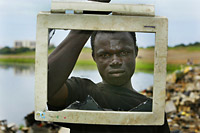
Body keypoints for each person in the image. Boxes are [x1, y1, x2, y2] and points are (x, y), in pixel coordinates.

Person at [47, 1, 170, 133]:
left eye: (123, 53)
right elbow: (46, 86)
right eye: (105, 55)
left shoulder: (152, 110)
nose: (115, 61)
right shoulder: (82, 93)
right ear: (94, 57)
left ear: (136, 52)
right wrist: (86, 21)